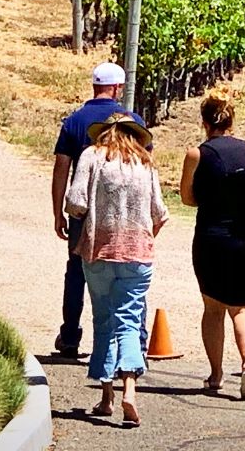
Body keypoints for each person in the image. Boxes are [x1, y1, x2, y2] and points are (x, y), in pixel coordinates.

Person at [64, 112, 167, 426]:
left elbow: (76, 202)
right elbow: (159, 213)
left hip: (98, 251)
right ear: (134, 135)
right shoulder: (145, 163)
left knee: (104, 319)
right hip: (137, 255)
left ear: (105, 133)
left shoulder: (92, 156)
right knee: (129, 320)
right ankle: (130, 392)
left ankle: (107, 395)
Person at [51, 62, 151, 358]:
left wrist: (58, 212)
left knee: (76, 272)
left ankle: (70, 337)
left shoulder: (74, 121)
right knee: (130, 273)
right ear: (118, 88)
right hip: (127, 216)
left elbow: (61, 170)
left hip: (84, 215)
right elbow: (145, 171)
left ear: (95, 86)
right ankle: (138, 342)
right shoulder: (133, 123)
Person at [178, 85, 245, 400]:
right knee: (243, 308)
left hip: (212, 239)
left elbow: (187, 198)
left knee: (213, 308)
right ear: (231, 120)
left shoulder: (197, 154)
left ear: (205, 122)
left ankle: (216, 375)